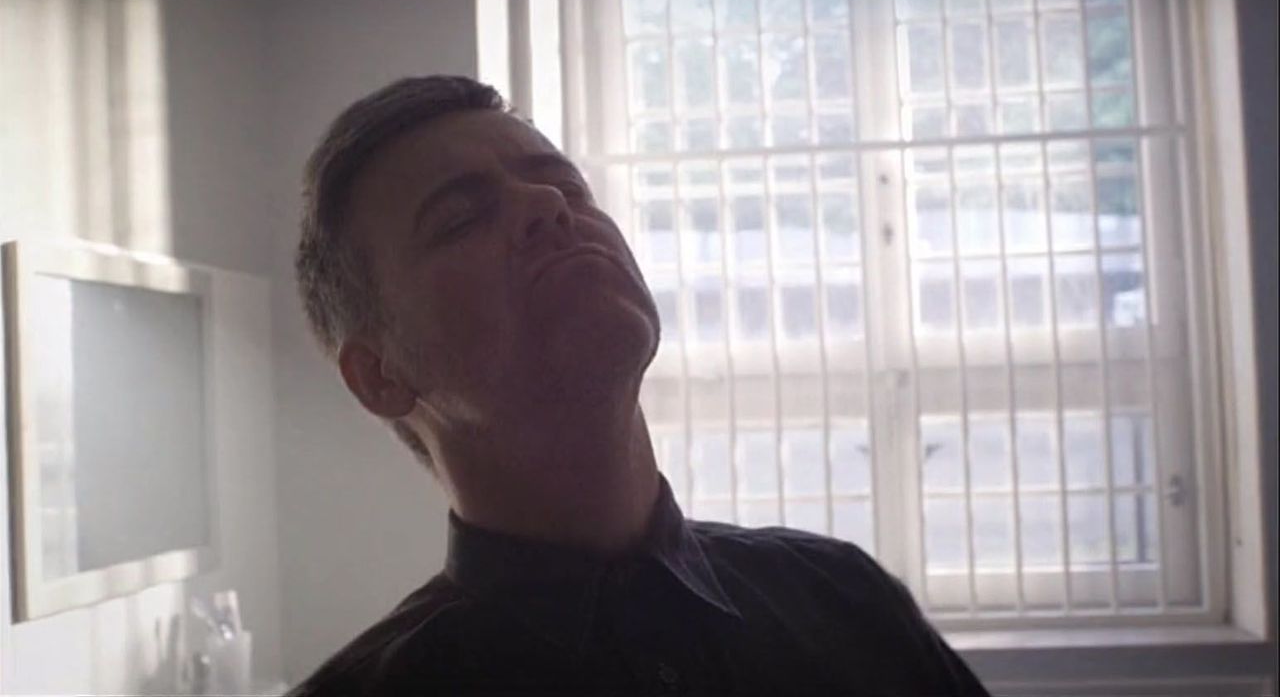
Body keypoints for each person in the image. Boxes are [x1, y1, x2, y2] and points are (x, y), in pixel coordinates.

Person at [287, 75, 989, 696]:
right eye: (461, 218)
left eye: (568, 187)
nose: (546, 203)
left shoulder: (846, 602)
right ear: (380, 376)